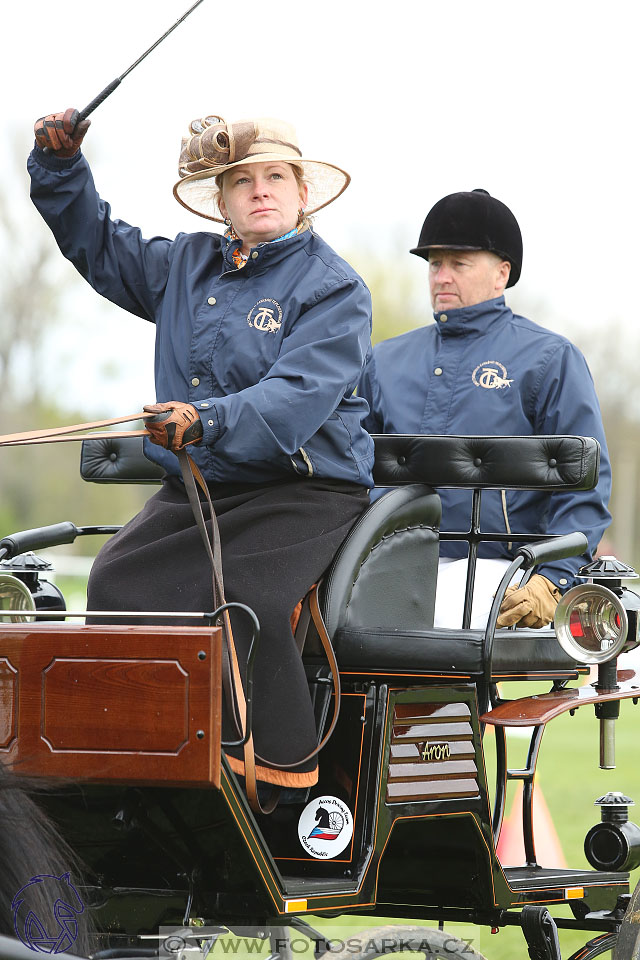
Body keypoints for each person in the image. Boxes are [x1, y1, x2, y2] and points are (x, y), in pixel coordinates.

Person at [29, 109, 374, 797]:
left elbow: (295, 399)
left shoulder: (336, 289)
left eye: (276, 176)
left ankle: (274, 780)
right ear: (221, 202)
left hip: (303, 490)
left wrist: (206, 418)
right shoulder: (185, 263)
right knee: (114, 582)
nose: (260, 190)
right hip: (201, 485)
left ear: (303, 192)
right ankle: (137, 762)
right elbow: (97, 244)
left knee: (242, 599)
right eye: (242, 181)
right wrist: (61, 169)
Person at [358, 188, 612, 629]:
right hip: (389, 569)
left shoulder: (549, 358)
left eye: (459, 263)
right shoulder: (384, 360)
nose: (441, 276)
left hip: (502, 571)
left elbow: (584, 486)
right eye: (435, 263)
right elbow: (348, 473)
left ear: (502, 273)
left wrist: (552, 579)